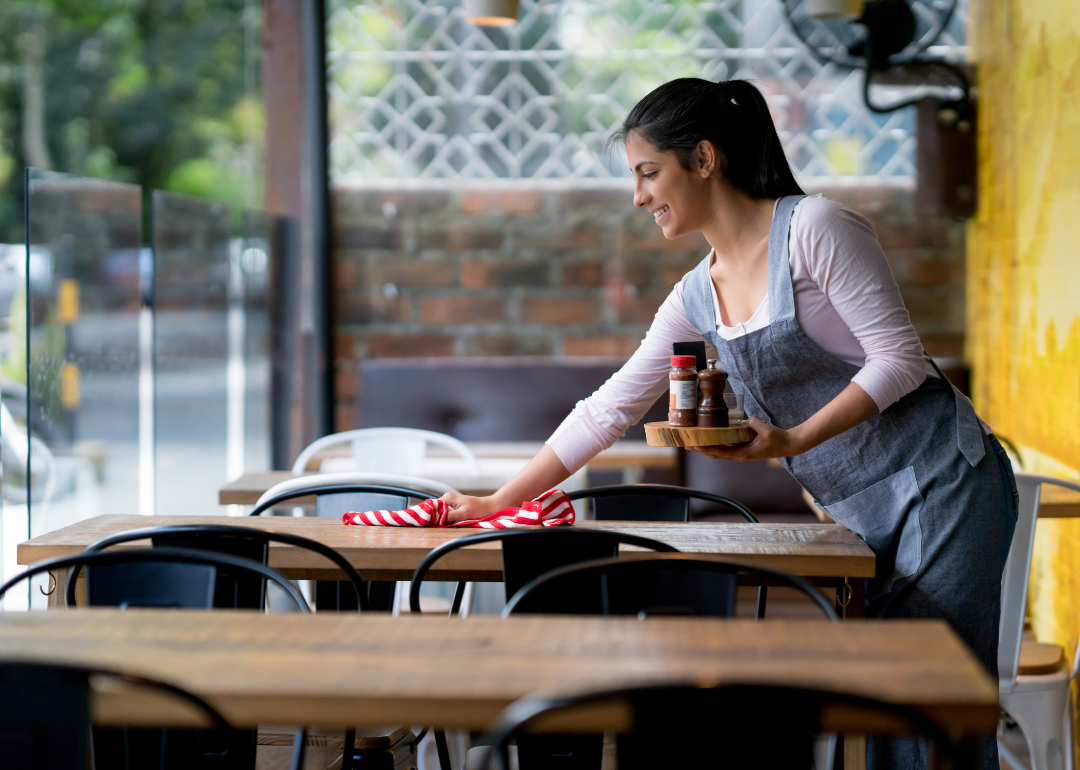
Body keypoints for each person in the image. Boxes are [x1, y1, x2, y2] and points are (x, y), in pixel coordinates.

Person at [440, 78, 1017, 769]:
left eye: (648, 172)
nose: (639, 196)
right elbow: (610, 407)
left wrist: (795, 440)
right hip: (859, 506)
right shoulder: (695, 295)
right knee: (887, 707)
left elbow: (900, 361)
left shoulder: (815, 230)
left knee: (928, 707)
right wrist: (501, 502)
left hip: (943, 481)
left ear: (704, 159)